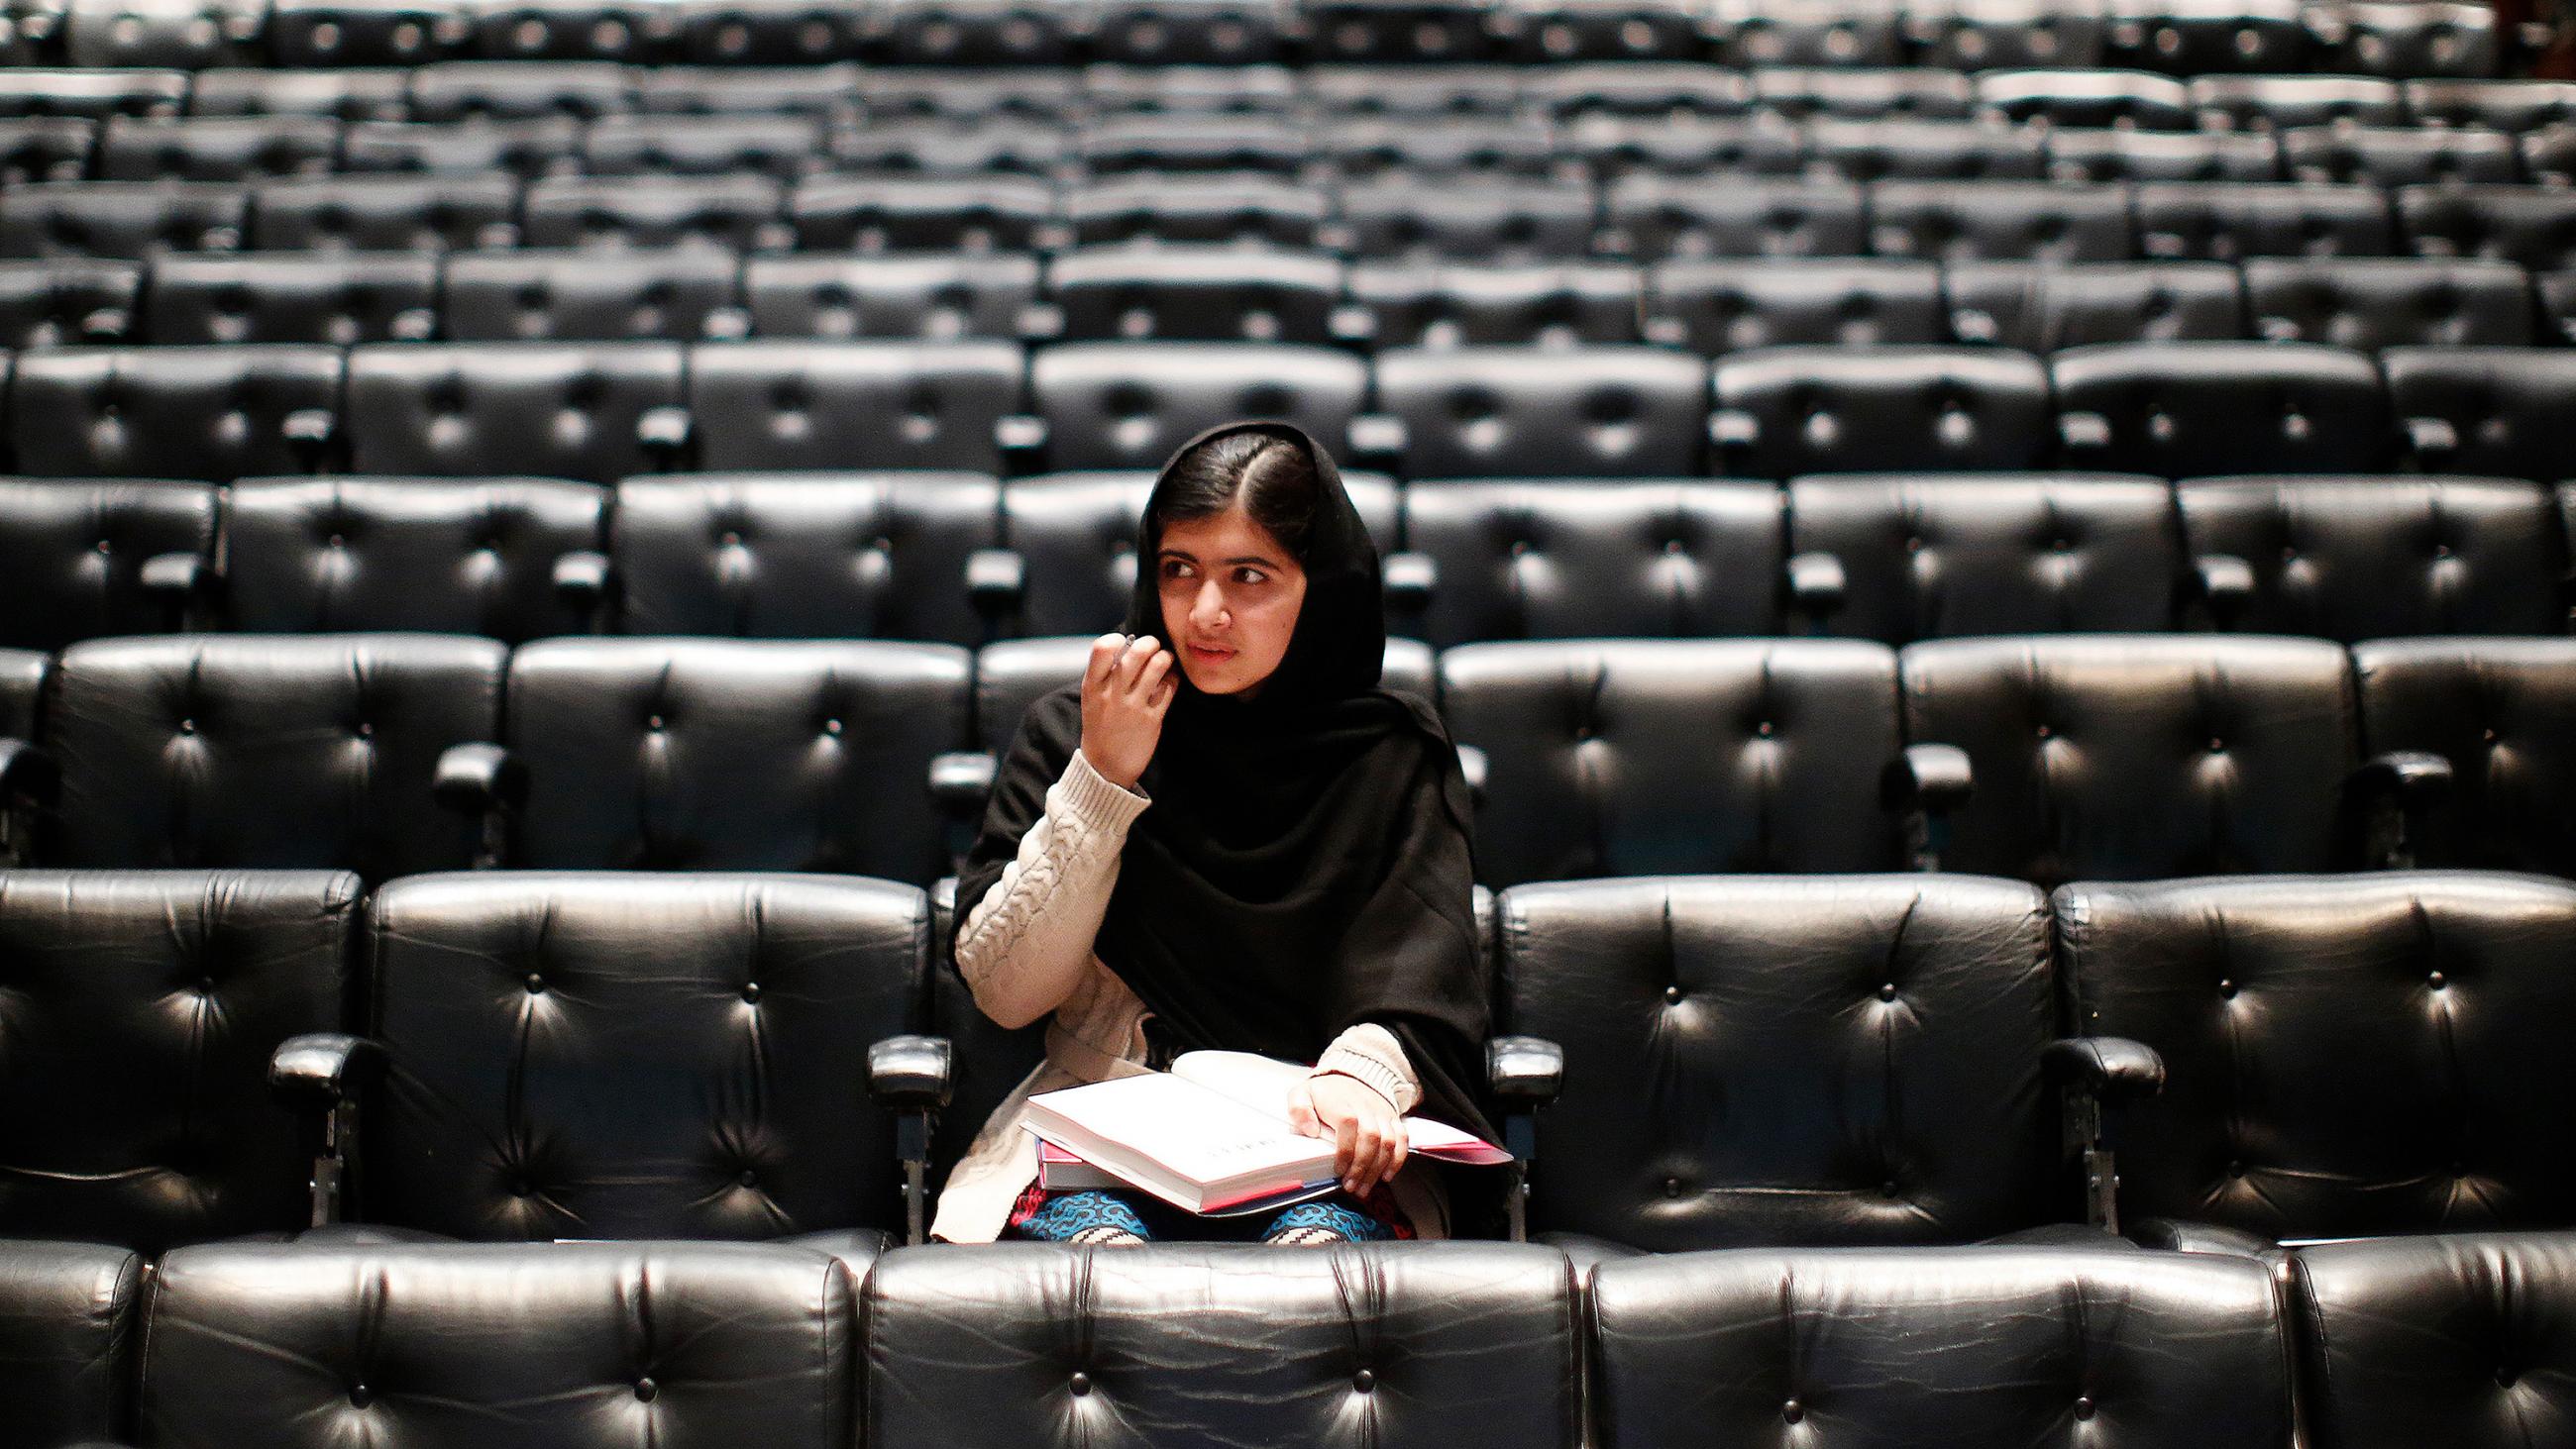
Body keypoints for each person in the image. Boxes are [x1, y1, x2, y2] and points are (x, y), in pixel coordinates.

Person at [929, 420, 1497, 1246]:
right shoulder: (1078, 729)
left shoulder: (1388, 755)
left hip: (1311, 1132)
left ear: (1321, 586)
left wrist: (1361, 1078)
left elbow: (1422, 982)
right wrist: (1102, 779)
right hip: (1104, 1124)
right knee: (1095, 1267)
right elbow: (1008, 990)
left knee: (1319, 1268)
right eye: (1178, 570)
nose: (1205, 612)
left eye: (1250, 576)